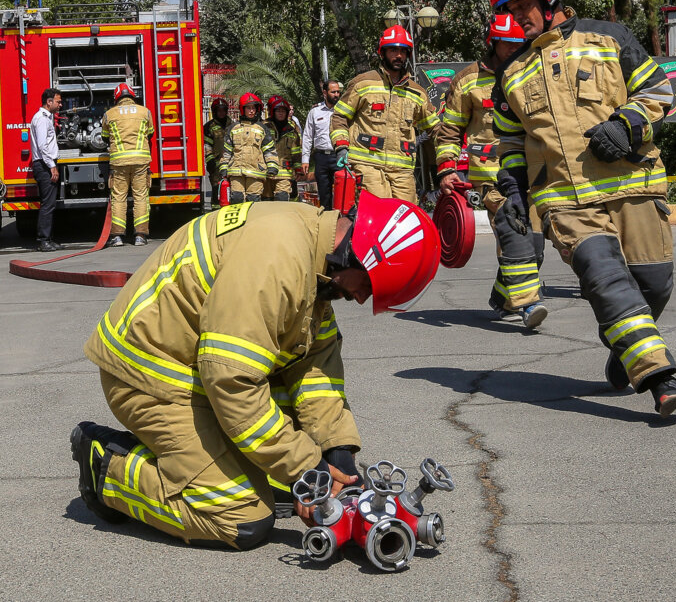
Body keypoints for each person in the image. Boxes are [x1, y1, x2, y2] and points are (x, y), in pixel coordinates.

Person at [71, 192, 441, 549]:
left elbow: (314, 368)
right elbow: (233, 383)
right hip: (152, 379)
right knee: (243, 518)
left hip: (199, 370)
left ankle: (208, 463)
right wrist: (306, 469)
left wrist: (336, 451)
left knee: (280, 475)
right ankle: (107, 468)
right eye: (369, 288)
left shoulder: (314, 257)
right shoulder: (276, 260)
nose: (361, 299)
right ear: (362, 255)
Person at [489, 0, 676, 417]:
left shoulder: (610, 37)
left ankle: (626, 349)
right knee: (606, 280)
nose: (517, 15)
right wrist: (514, 187)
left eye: (523, 3)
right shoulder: (511, 73)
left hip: (634, 186)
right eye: (510, 8)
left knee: (654, 285)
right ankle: (659, 377)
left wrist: (627, 124)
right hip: (567, 202)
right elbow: (511, 139)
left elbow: (659, 92)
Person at [436, 15, 547, 327]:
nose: (512, 49)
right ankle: (528, 304)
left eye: (517, 43)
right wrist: (446, 170)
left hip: (531, 170)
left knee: (535, 246)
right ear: (492, 42)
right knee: (516, 230)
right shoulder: (468, 80)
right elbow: (448, 132)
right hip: (490, 174)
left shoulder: (532, 69)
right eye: (505, 43)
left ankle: (501, 297)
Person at [330, 25, 439, 202]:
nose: (398, 55)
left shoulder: (418, 93)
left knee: (406, 218)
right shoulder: (363, 83)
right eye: (393, 50)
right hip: (367, 166)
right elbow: (339, 117)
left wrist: (450, 157)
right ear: (382, 52)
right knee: (379, 215)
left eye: (403, 51)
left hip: (403, 172)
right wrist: (342, 147)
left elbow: (435, 128)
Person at [101, 82, 155, 247]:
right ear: (132, 95)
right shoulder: (144, 112)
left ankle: (117, 237)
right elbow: (150, 134)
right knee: (140, 197)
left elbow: (104, 137)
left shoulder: (109, 114)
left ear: (117, 98)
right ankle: (140, 236)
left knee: (119, 198)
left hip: (119, 163)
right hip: (140, 162)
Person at [219, 92, 276, 203]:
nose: (251, 111)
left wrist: (272, 165)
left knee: (253, 201)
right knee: (237, 199)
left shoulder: (262, 128)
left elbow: (269, 150)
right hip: (236, 171)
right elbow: (227, 151)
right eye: (248, 108)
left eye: (253, 108)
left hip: (255, 171)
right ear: (242, 109)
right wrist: (224, 168)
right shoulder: (233, 128)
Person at [29, 88, 63, 252]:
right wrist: (52, 166)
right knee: (47, 205)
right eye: (58, 101)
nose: (60, 104)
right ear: (49, 102)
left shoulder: (46, 118)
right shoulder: (42, 119)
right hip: (44, 164)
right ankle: (43, 240)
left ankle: (48, 238)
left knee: (50, 204)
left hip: (45, 163)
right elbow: (43, 146)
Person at [300, 79, 342, 208]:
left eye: (338, 92)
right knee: (324, 193)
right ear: (325, 92)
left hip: (339, 156)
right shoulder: (315, 112)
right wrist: (305, 159)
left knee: (343, 191)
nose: (336, 95)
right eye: (333, 92)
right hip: (321, 157)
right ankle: (327, 219)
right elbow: (307, 136)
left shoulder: (343, 111)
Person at [263, 95, 301, 201]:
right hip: (267, 173)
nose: (281, 113)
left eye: (283, 111)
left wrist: (298, 169)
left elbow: (296, 151)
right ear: (273, 112)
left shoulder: (292, 131)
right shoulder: (264, 127)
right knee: (266, 202)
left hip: (285, 173)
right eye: (278, 111)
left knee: (282, 198)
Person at [202, 98, 231, 205]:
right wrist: (210, 161)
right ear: (214, 111)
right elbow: (206, 145)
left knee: (231, 190)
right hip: (216, 165)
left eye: (223, 110)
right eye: (218, 110)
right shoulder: (209, 127)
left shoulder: (232, 125)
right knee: (216, 190)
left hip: (231, 164)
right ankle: (215, 212)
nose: (221, 112)